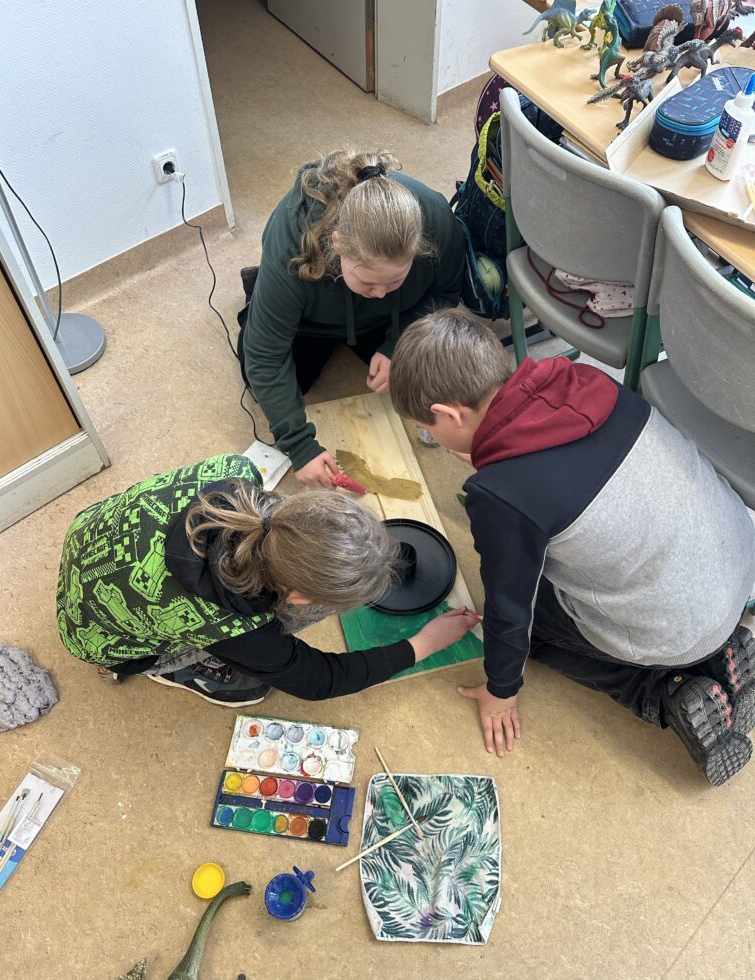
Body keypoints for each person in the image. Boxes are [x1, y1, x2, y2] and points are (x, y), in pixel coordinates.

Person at [388, 309, 755, 786]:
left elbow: (509, 610)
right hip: (736, 564)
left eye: (430, 428)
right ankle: (721, 650)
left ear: (450, 415)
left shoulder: (500, 493)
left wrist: (501, 691)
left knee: (531, 633)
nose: (435, 438)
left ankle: (664, 690)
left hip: (679, 627)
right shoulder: (581, 380)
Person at [56, 453, 479, 707]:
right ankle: (170, 670)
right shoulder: (236, 627)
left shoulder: (236, 472)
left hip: (91, 534)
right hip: (98, 636)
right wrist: (425, 643)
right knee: (258, 662)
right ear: (297, 595)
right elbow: (319, 679)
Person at [237, 147, 466, 488]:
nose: (381, 293)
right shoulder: (292, 245)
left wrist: (396, 344)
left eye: (395, 281)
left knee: (435, 374)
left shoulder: (435, 219)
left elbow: (445, 292)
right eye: (369, 282)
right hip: (311, 320)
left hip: (389, 318)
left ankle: (373, 306)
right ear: (337, 244)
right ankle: (264, 293)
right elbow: (265, 354)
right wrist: (299, 447)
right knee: (270, 381)